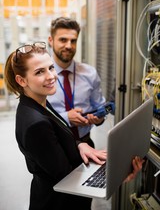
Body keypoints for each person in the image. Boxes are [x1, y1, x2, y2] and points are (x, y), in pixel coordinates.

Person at [4, 42, 144, 210]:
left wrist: (80, 144)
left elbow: (56, 138)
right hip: (59, 204)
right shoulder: (35, 123)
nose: (51, 76)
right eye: (40, 72)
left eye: (50, 68)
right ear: (21, 80)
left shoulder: (38, 102)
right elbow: (68, 178)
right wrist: (117, 174)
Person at [47, 17, 108, 147]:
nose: (69, 46)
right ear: (51, 41)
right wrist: (66, 117)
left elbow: (99, 107)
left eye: (73, 41)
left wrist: (99, 118)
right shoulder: (40, 76)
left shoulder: (90, 73)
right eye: (63, 40)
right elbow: (35, 116)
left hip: (86, 142)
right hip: (54, 146)